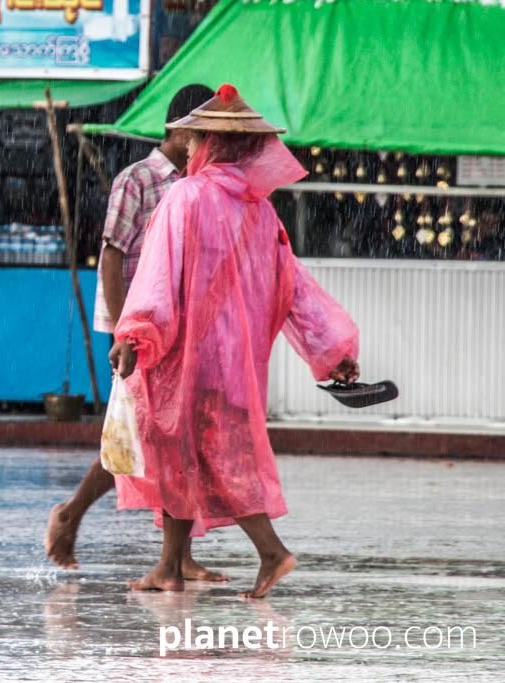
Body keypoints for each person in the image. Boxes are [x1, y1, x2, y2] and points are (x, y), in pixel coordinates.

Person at [109, 84, 360, 599]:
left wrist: (133, 334)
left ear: (208, 143)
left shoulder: (186, 197)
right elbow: (296, 291)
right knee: (192, 456)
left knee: (202, 456)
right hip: (236, 363)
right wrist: (332, 352)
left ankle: (271, 551)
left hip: (186, 355)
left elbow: (157, 277)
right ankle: (169, 568)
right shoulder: (260, 212)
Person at [46, 84, 224, 581]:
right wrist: (127, 332)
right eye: (209, 132)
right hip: (141, 330)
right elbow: (112, 255)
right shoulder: (139, 180)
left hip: (181, 329)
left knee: (181, 437)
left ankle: (179, 557)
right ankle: (71, 513)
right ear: (184, 129)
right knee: (139, 434)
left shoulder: (199, 183)